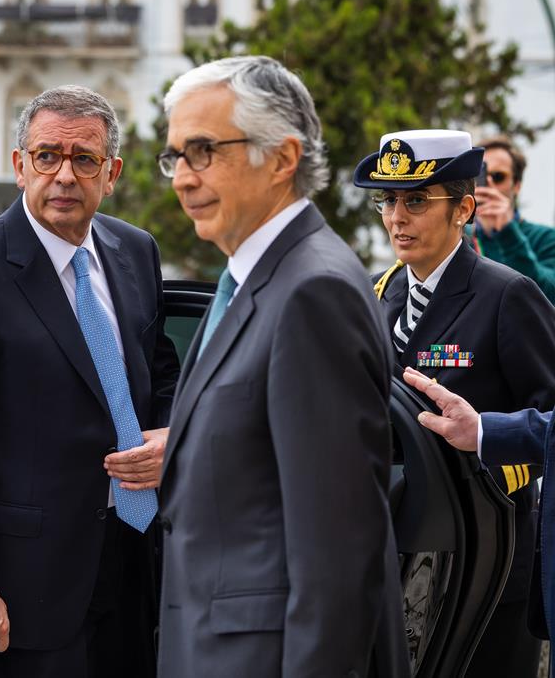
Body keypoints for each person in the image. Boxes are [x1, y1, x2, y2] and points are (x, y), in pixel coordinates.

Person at [0, 84, 180, 677]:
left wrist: (171, 439)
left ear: (112, 174)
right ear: (19, 165)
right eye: (47, 155)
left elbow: (161, 375)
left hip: (135, 555)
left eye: (84, 159)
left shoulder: (136, 251)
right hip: (22, 588)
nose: (64, 175)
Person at [155, 56, 409, 677]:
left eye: (203, 151)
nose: (182, 179)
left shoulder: (312, 293)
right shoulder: (256, 278)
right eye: (174, 156)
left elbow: (338, 554)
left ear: (282, 158)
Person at [359, 129, 555, 678]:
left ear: (463, 209)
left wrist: (484, 469)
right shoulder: (375, 294)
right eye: (388, 200)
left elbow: (550, 419)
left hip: (487, 557)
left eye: (417, 201)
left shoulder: (506, 294)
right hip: (395, 555)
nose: (397, 217)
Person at [401, 368, 554, 676]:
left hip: (489, 552)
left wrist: (477, 486)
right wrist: (482, 429)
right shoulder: (392, 332)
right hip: (422, 555)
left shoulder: (514, 329)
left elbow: (545, 406)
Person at [469, 135, 555, 304]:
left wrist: (508, 233)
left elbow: (547, 295)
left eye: (498, 176)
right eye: (480, 175)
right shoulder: (459, 238)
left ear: (517, 185)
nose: (489, 183)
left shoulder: (546, 238)